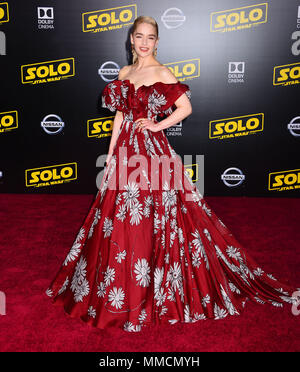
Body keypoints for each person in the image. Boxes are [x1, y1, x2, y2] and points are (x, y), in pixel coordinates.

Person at [46, 16, 299, 333]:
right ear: (131, 39)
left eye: (150, 37)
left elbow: (185, 108)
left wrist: (155, 124)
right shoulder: (125, 73)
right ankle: (117, 288)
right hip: (125, 151)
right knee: (117, 216)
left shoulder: (162, 72)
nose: (144, 42)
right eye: (139, 36)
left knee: (154, 214)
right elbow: (120, 117)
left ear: (157, 41)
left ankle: (148, 285)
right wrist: (110, 154)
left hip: (152, 153)